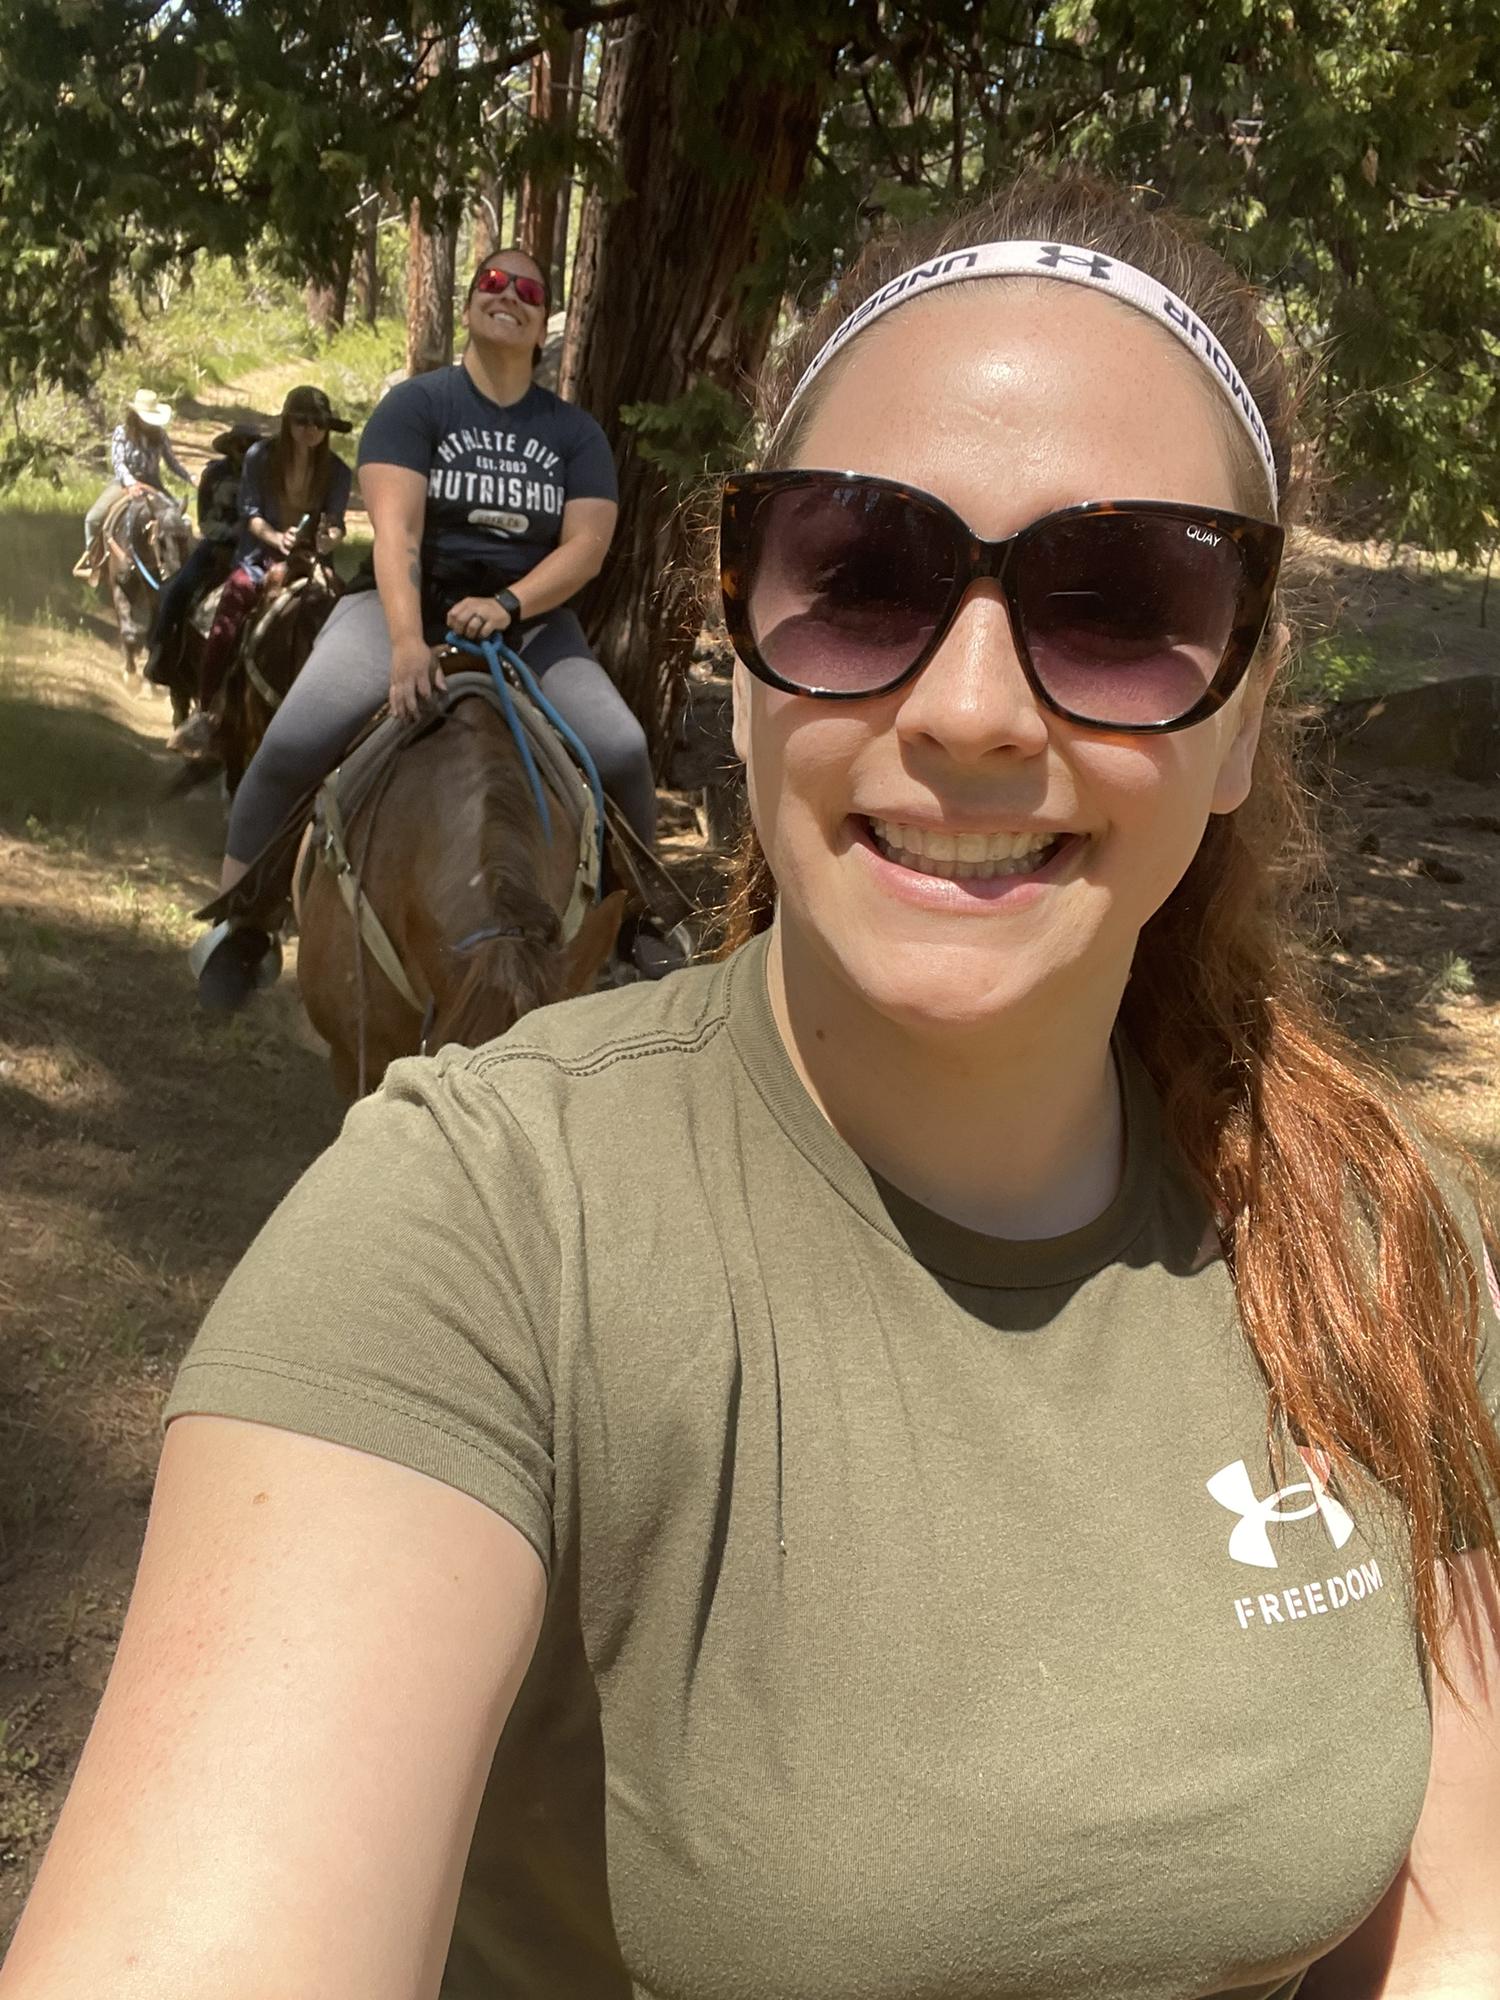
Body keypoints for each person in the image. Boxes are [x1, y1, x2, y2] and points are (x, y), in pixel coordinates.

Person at [6, 172, 1499, 2000]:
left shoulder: (1380, 1237)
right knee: (307, 722)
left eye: (1122, 604)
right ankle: (244, 895)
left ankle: (623, 899)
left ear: (1249, 705)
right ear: (751, 629)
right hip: (409, 625)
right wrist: (410, 627)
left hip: (528, 636)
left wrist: (529, 613)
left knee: (606, 761)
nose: (968, 710)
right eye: (859, 576)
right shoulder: (468, 1230)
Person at [192, 244, 651, 1009]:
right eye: (491, 283)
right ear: (469, 305)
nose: (508, 294)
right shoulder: (417, 406)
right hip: (404, 605)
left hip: (528, 623)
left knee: (623, 750)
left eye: (528, 290)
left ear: (544, 323)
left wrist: (509, 604)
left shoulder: (575, 435)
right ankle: (243, 923)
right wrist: (408, 643)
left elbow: (586, 549)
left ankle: (637, 928)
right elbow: (396, 532)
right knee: (292, 744)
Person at [170, 387, 352, 754]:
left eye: (319, 423)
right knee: (229, 612)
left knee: (347, 619)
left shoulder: (337, 470)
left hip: (311, 563)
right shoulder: (260, 457)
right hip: (260, 558)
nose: (311, 429)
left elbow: (336, 523)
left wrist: (328, 540)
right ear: (288, 423)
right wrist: (275, 537)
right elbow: (250, 514)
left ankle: (349, 715)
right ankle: (207, 713)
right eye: (302, 421)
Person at [144, 422, 262, 689]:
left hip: (256, 550)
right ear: (230, 446)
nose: (244, 450)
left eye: (250, 445)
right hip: (216, 547)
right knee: (175, 589)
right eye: (240, 444)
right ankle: (160, 651)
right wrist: (233, 533)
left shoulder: (266, 476)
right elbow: (206, 522)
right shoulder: (214, 475)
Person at [76, 387, 193, 568]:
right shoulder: (122, 433)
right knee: (93, 518)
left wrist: (190, 477)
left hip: (154, 484)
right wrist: (131, 483)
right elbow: (118, 463)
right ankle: (94, 562)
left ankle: (180, 563)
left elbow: (172, 462)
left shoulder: (160, 435)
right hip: (124, 483)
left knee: (180, 520)